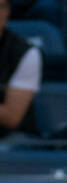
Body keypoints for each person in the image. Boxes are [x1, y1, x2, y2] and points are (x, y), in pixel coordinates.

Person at [0, 0, 41, 138]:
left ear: (8, 11)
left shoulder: (25, 53)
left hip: (9, 137)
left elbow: (12, 117)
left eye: (1, 7)